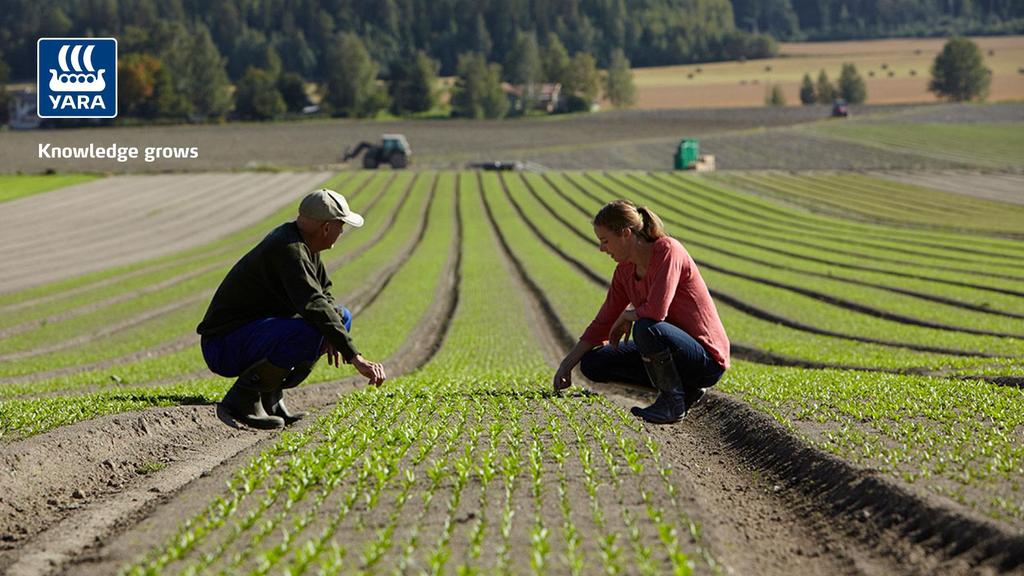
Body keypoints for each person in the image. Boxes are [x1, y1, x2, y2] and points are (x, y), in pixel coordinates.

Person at [197, 188, 387, 429]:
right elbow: (313, 304)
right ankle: (244, 397)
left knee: (342, 317)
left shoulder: (305, 245)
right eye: (341, 225)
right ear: (326, 228)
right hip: (223, 345)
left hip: (252, 335)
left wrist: (333, 333)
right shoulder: (289, 250)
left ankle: (271, 394)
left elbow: (323, 293)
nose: (342, 232)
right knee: (310, 330)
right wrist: (355, 357)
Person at [552, 200, 729, 424]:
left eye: (605, 241)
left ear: (625, 233)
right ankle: (684, 390)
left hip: (704, 358)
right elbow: (602, 322)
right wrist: (567, 364)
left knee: (647, 327)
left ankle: (672, 403)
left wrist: (628, 315)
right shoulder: (624, 271)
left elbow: (656, 311)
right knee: (593, 364)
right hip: (670, 348)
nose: (601, 248)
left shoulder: (668, 250)